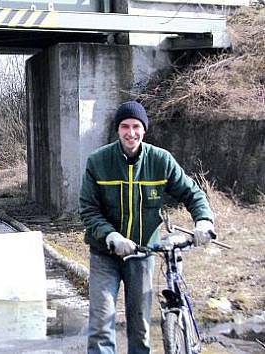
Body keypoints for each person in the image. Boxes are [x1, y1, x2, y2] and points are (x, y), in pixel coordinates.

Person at [79, 101, 215, 354]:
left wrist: (204, 220)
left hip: (142, 254)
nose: (131, 132)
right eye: (125, 126)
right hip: (104, 254)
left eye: (136, 126)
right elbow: (88, 209)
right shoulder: (98, 161)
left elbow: (192, 193)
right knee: (101, 323)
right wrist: (111, 236)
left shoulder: (161, 160)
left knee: (140, 329)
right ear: (117, 130)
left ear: (144, 130)